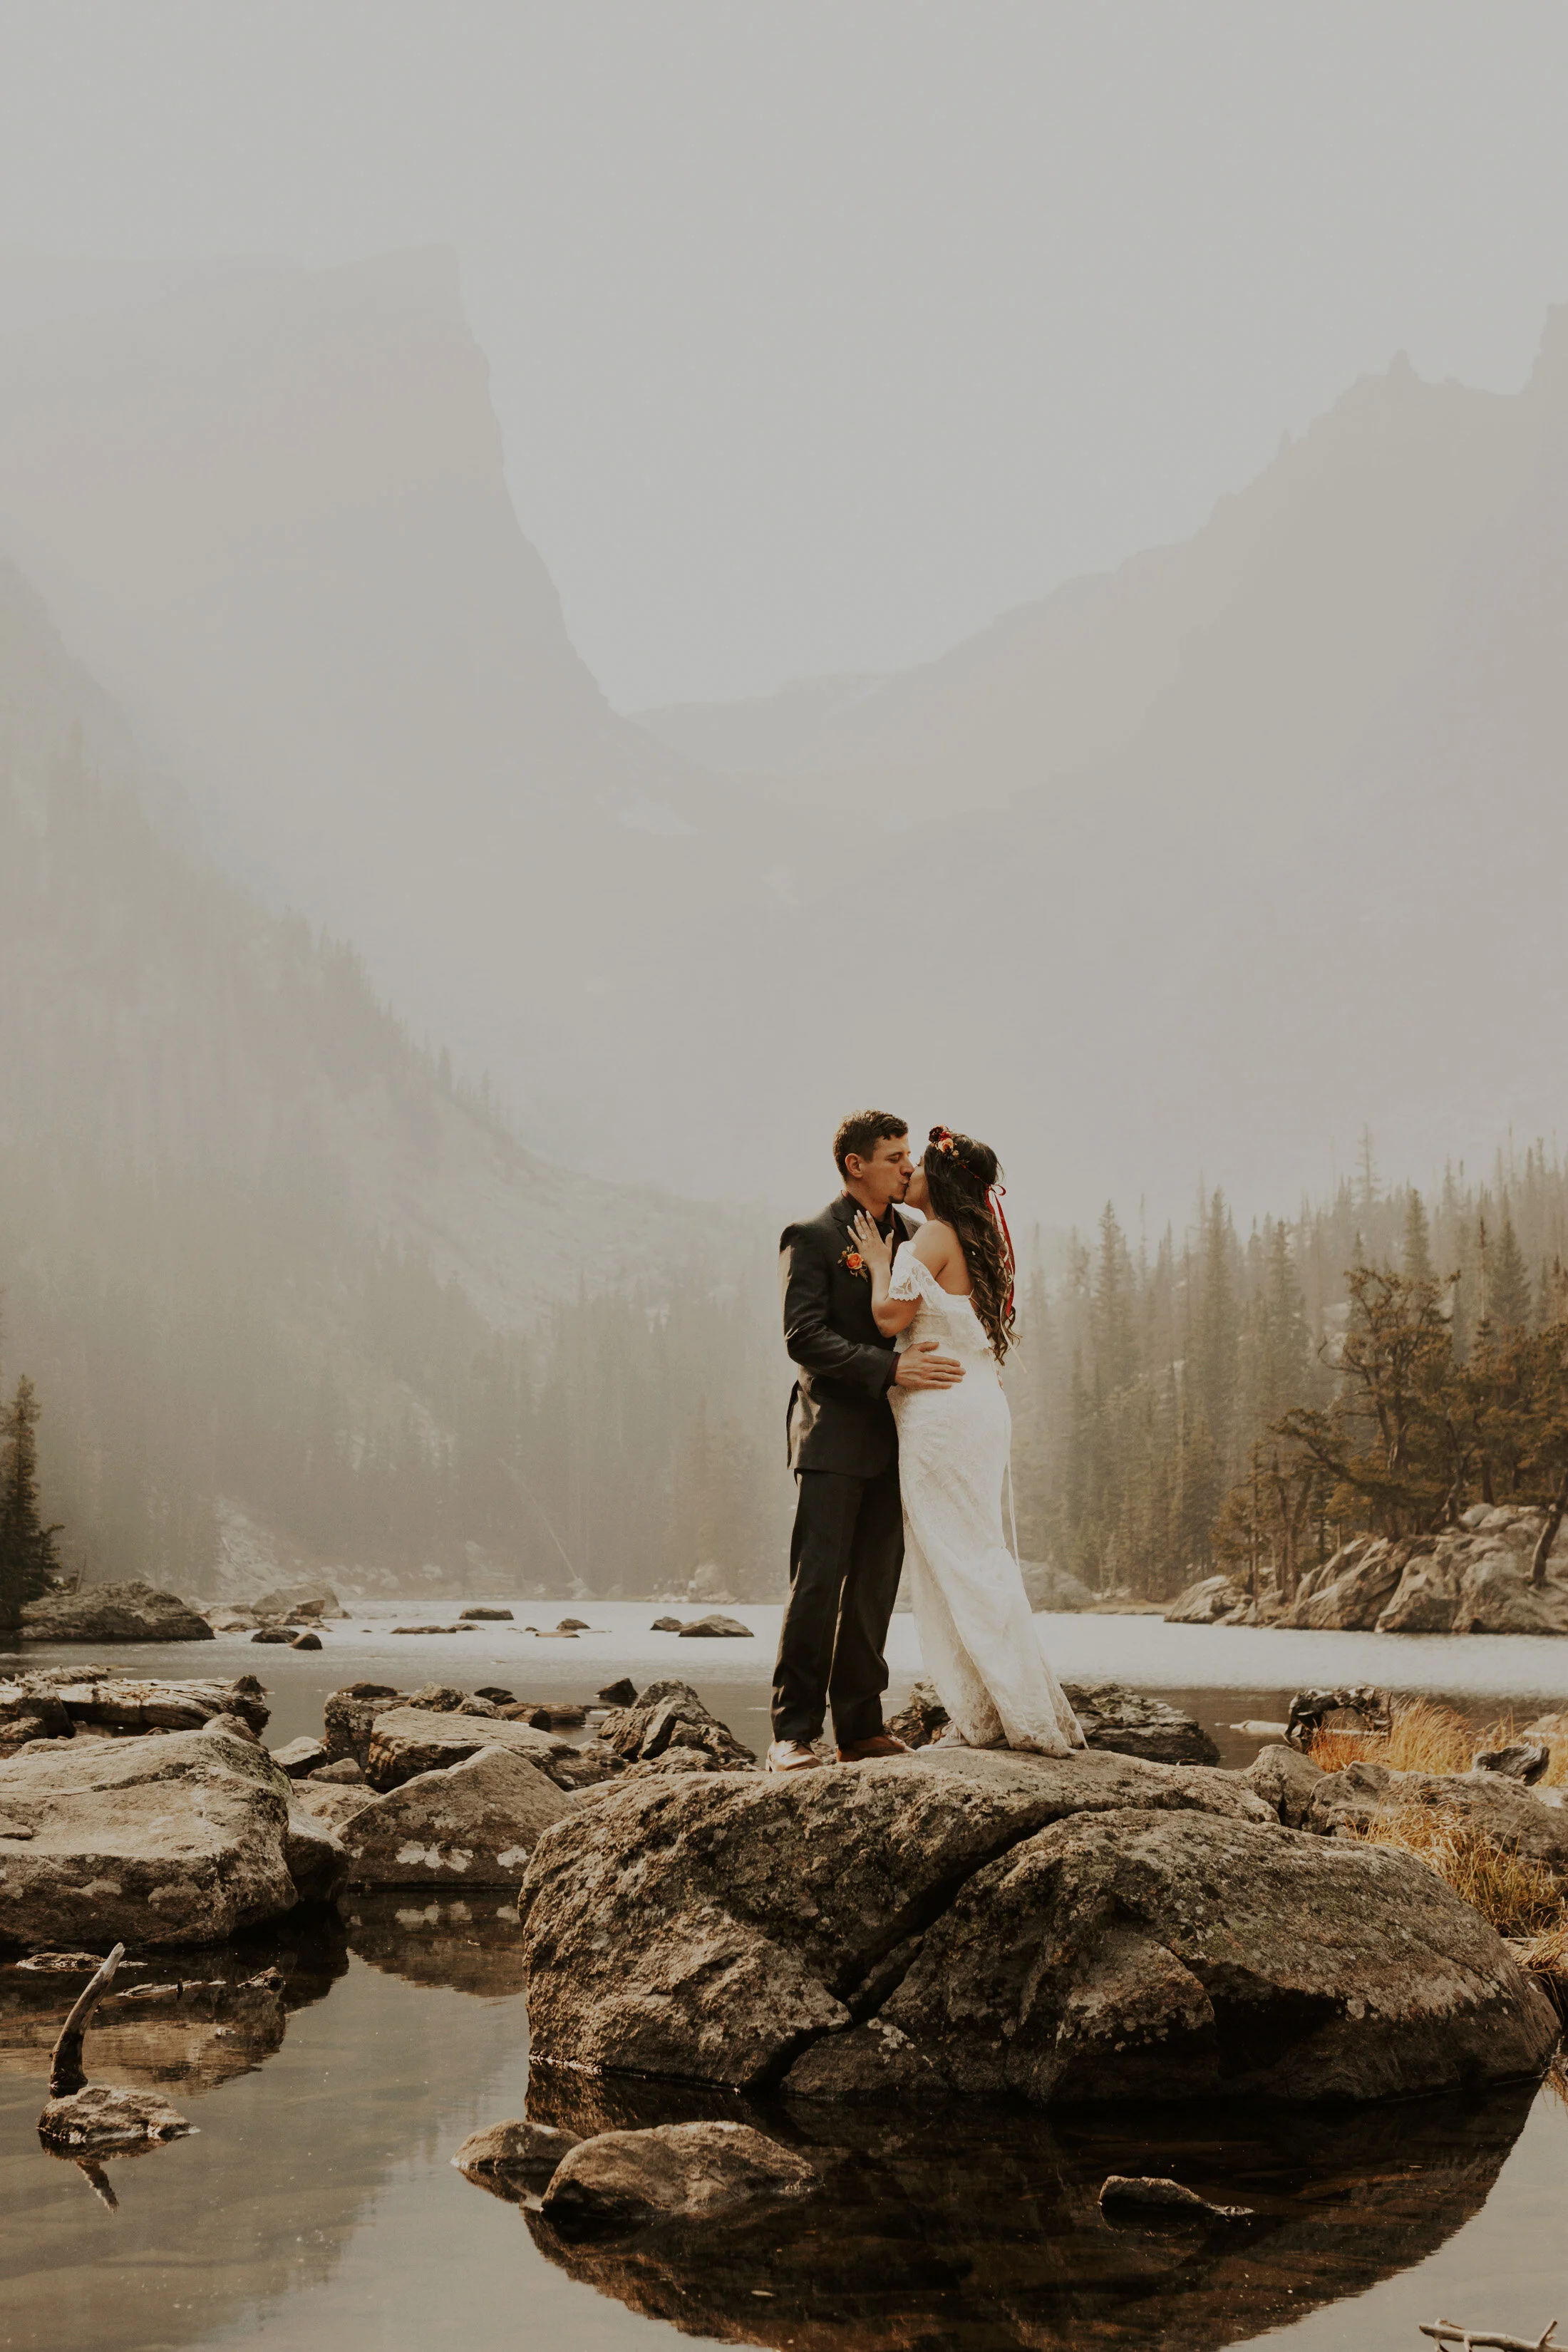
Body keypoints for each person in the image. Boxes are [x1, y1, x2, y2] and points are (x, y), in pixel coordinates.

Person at [852, 1124, 1085, 1755]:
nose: (908, 1173)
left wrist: (879, 1265)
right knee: (974, 1554)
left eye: (918, 1164)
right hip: (976, 1402)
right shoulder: (976, 1241)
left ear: (943, 1179)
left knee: (960, 1559)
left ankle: (1005, 1714)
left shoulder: (932, 1235)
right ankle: (996, 1710)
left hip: (943, 1414)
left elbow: (890, 1317)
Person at [768, 1110, 967, 1775]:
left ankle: (859, 1728)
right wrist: (888, 1369)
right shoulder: (813, 1236)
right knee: (818, 1585)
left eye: (910, 1156)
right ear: (856, 1165)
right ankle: (793, 1733)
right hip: (831, 1436)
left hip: (902, 1440)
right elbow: (803, 1337)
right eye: (894, 1157)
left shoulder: (916, 1234)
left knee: (877, 1586)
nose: (909, 1167)